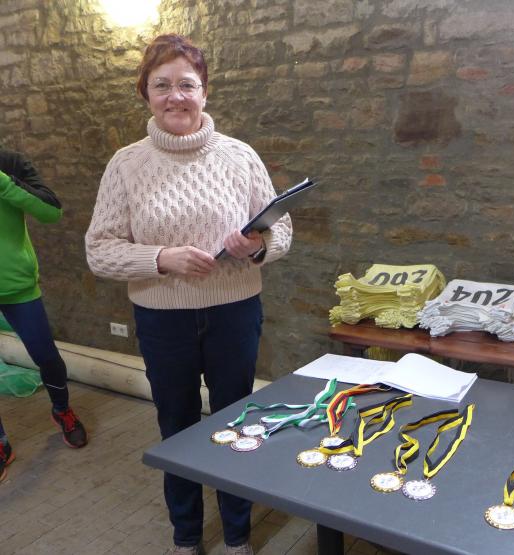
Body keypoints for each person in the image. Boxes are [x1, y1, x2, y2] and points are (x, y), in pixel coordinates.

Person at [85, 34, 292, 555]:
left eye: (187, 84)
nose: (175, 96)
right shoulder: (126, 164)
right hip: (164, 319)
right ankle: (186, 536)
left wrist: (257, 246)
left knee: (236, 422)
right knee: (176, 425)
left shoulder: (240, 156)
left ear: (205, 92)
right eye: (162, 85)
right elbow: (99, 251)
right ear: (146, 94)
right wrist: (161, 258)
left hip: (234, 312)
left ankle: (238, 534)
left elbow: (282, 228)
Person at [0, 148, 89, 482]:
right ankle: (1, 442)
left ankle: (62, 409)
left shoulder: (9, 163)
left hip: (17, 286)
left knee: (46, 356)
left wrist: (2, 182)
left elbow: (51, 212)